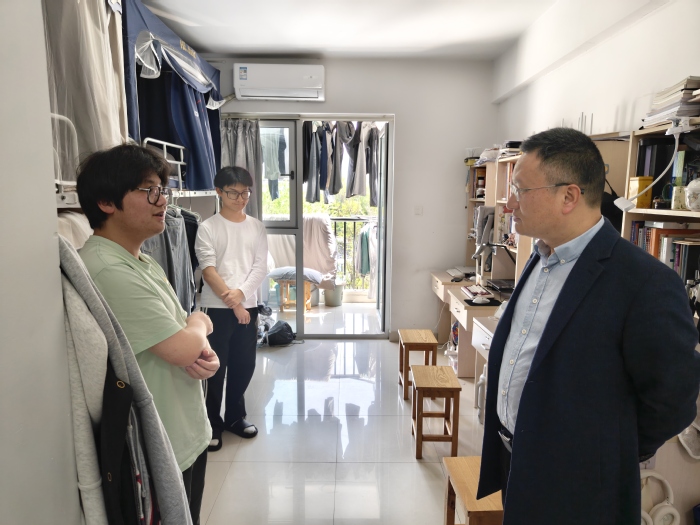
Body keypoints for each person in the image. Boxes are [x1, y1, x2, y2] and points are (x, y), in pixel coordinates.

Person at [476, 128, 700, 524]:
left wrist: (604, 453)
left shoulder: (644, 283)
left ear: (569, 196)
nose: (510, 203)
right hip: (517, 464)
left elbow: (673, 402)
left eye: (520, 190)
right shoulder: (540, 256)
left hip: (581, 489)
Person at [76, 144, 219, 525]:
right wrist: (201, 325)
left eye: (163, 189)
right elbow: (184, 341)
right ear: (106, 202)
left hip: (185, 431)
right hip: (159, 446)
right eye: (149, 190)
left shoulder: (142, 260)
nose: (163, 200)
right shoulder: (107, 269)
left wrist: (202, 348)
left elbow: (181, 327)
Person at [195, 166, 268, 451]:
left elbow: (260, 267)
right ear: (219, 192)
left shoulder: (256, 227)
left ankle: (235, 417)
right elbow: (208, 270)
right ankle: (212, 424)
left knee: (244, 365)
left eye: (245, 193)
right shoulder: (208, 227)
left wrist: (241, 296)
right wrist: (234, 302)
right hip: (216, 309)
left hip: (247, 305)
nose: (240, 198)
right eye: (233, 193)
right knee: (215, 368)